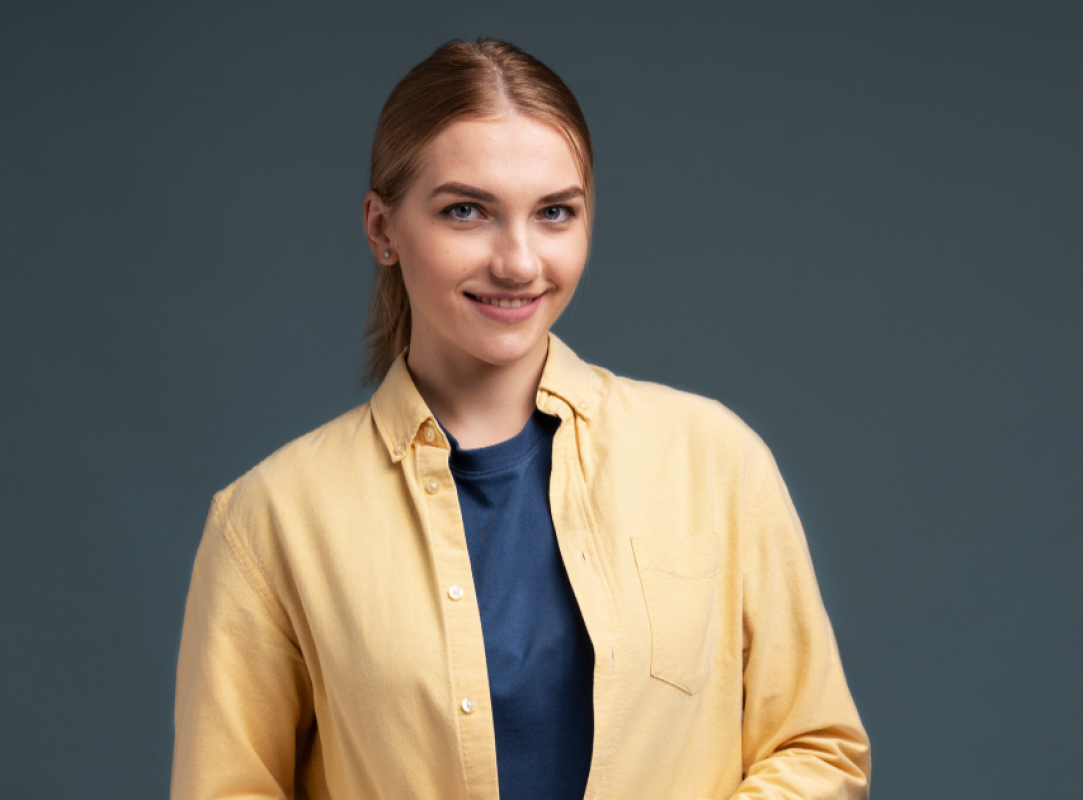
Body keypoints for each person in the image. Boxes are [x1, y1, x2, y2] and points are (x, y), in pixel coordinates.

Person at [171, 38, 870, 800]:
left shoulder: (715, 460)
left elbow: (817, 748)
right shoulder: (269, 521)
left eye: (554, 213)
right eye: (466, 211)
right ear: (383, 229)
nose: (519, 261)